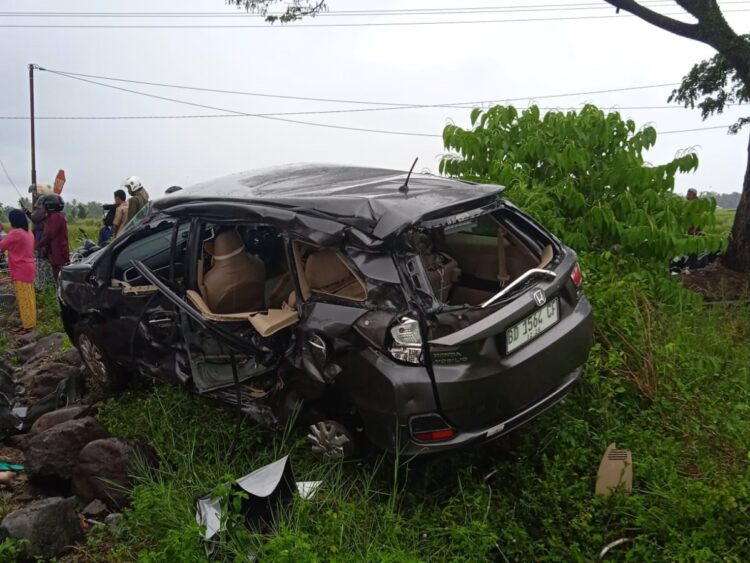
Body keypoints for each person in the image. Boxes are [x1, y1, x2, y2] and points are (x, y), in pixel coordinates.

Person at [0, 210, 37, 330]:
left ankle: (29, 325)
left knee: (24, 299)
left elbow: (2, 246)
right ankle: (31, 322)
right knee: (29, 297)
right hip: (29, 267)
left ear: (13, 221)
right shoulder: (29, 233)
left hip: (20, 269)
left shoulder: (15, 233)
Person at [36, 194, 69, 280]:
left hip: (58, 253)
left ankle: (58, 292)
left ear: (49, 205)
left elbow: (48, 235)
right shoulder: (58, 216)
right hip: (59, 252)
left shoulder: (55, 217)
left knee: (58, 278)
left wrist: (38, 245)